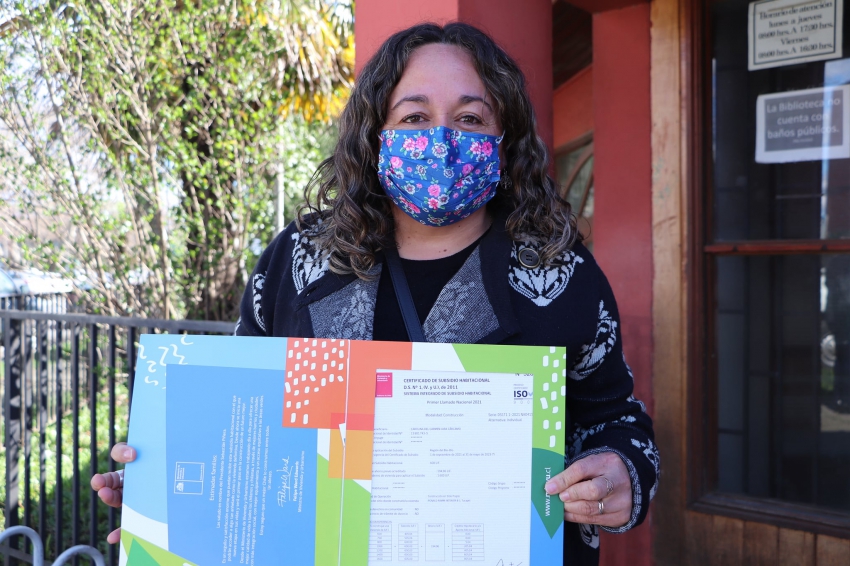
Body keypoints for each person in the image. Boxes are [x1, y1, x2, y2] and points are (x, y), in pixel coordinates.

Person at [91, 22, 659, 565]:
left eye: (470, 118)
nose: (441, 140)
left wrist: (622, 475)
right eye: (414, 117)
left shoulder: (559, 275)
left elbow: (618, 420)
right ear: (375, 135)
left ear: (504, 141)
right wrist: (163, 492)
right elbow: (237, 419)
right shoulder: (299, 261)